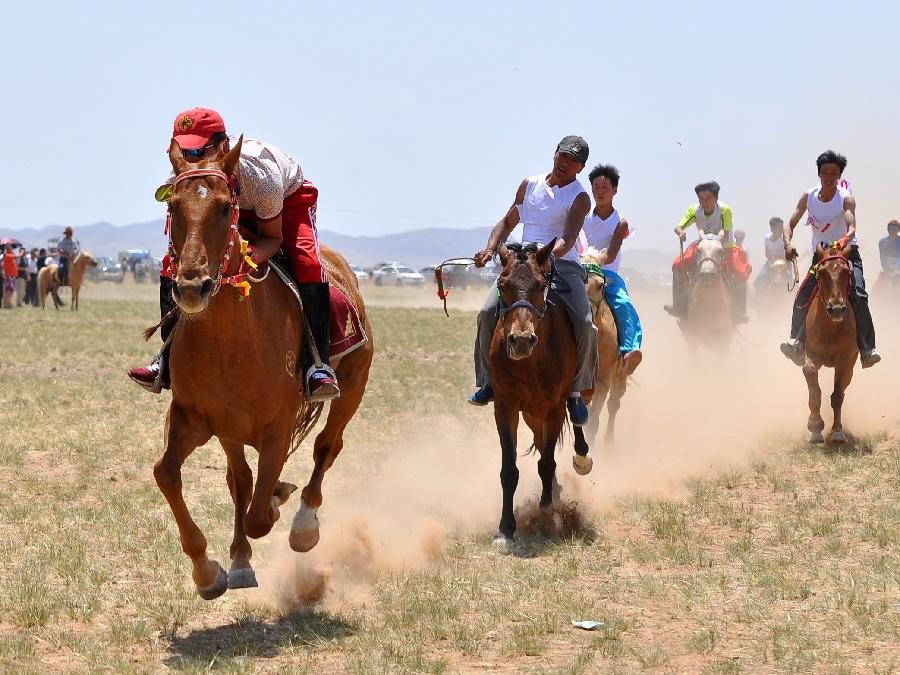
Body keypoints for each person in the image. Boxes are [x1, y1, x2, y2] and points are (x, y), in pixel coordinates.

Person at [127, 107, 340, 402]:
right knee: (169, 266)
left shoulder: (262, 181)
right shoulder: (186, 178)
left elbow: (272, 238)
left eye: (201, 150)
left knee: (307, 262)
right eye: (186, 152)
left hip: (286, 200)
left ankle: (318, 367)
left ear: (224, 146)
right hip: (219, 204)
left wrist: (243, 256)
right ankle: (165, 361)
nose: (193, 159)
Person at [468, 135, 597, 426]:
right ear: (554, 154)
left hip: (561, 263)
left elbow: (569, 238)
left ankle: (576, 391)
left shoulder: (579, 197)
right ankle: (487, 381)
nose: (565, 163)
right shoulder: (530, 185)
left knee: (586, 324)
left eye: (573, 161)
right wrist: (491, 248)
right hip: (523, 263)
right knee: (487, 312)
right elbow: (507, 221)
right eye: (563, 156)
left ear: (580, 167)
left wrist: (548, 257)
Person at [780, 150, 880, 368]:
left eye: (833, 173)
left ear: (839, 176)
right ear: (819, 173)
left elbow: (851, 224)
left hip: (846, 253)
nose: (828, 176)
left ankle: (867, 348)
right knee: (803, 294)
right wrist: (787, 244)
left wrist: (846, 237)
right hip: (822, 256)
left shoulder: (846, 198)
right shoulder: (809, 197)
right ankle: (796, 342)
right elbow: (790, 224)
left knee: (859, 295)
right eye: (825, 172)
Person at [579, 164, 642, 366]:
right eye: (596, 187)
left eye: (605, 187)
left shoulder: (620, 222)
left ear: (615, 190)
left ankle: (628, 353)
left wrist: (593, 260)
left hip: (608, 275)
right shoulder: (583, 218)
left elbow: (612, 254)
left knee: (624, 305)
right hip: (582, 272)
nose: (600, 192)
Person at [664, 182, 750, 323]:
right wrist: (681, 232)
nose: (704, 202)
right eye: (701, 199)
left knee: (740, 271)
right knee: (677, 265)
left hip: (725, 246)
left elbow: (726, 234)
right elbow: (679, 226)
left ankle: (739, 312)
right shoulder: (695, 210)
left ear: (716, 198)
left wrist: (716, 242)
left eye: (708, 198)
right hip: (702, 245)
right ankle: (678, 305)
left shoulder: (725, 210)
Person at [754, 218, 786, 291]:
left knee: (791, 280)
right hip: (771, 262)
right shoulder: (766, 238)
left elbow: (787, 253)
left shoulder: (784, 239)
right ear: (772, 228)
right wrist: (771, 259)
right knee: (758, 280)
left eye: (782, 227)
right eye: (780, 228)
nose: (782, 230)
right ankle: (757, 298)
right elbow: (767, 252)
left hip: (784, 263)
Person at [2, 244, 17, 309]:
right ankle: (7, 305)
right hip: (9, 276)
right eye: (10, 248)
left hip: (12, 276)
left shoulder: (9, 255)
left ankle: (8, 304)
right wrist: (21, 252)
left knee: (10, 291)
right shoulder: (7, 255)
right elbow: (17, 256)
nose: (12, 249)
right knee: (9, 291)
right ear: (8, 249)